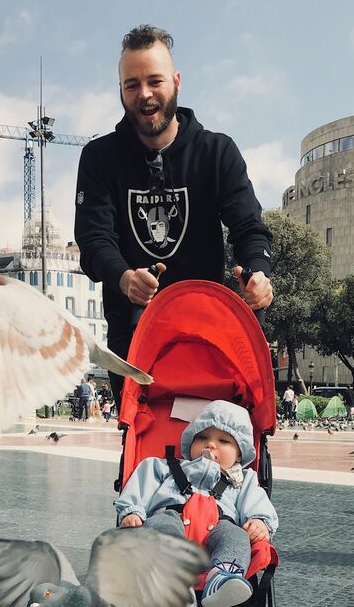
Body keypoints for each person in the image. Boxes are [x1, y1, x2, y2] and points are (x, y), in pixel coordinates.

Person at [74, 24, 274, 409]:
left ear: (177, 81)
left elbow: (248, 226)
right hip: (134, 337)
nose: (144, 94)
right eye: (131, 85)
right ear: (120, 91)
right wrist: (124, 276)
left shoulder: (217, 152)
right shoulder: (100, 158)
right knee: (143, 435)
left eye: (154, 81)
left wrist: (258, 271)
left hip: (208, 335)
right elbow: (94, 239)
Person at [114, 400, 278, 607]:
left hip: (219, 527)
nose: (210, 444)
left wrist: (260, 521)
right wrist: (132, 511)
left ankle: (222, 577)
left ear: (239, 453)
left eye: (223, 440)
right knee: (162, 529)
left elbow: (258, 503)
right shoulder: (162, 467)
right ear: (190, 441)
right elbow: (139, 488)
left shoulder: (243, 480)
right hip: (171, 516)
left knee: (237, 537)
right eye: (202, 437)